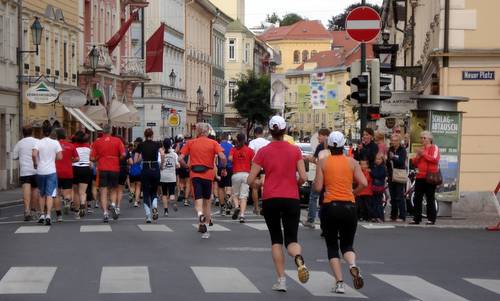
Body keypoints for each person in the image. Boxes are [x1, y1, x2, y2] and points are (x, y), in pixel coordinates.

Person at [247, 115, 309, 292]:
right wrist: (294, 185)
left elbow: (251, 178)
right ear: (285, 130)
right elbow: (304, 177)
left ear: (270, 131)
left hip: (271, 198)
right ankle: (297, 257)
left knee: (276, 239)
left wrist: (258, 183)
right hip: (291, 198)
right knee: (292, 239)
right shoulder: (295, 150)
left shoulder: (263, 152)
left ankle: (281, 280)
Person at [313, 131, 367, 294]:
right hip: (349, 207)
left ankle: (339, 282)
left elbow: (317, 188)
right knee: (347, 245)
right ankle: (353, 265)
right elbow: (363, 183)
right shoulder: (352, 162)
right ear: (344, 145)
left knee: (332, 246)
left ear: (328, 145)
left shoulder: (323, 162)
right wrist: (353, 193)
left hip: (330, 206)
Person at [179, 123, 227, 239]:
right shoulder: (213, 143)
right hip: (208, 175)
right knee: (207, 202)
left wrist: (186, 166)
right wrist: (223, 168)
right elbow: (223, 157)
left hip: (195, 174)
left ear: (197, 132)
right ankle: (206, 227)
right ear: (206, 132)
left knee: (198, 199)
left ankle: (200, 215)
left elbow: (180, 158)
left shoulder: (190, 143)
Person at [90, 124, 125, 223]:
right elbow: (123, 154)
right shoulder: (118, 141)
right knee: (114, 189)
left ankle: (105, 213)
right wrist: (117, 159)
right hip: (114, 168)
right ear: (111, 131)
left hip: (102, 168)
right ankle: (113, 205)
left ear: (102, 131)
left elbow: (92, 158)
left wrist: (99, 158)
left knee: (103, 191)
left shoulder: (97, 142)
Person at [32, 124, 63, 225]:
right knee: (49, 194)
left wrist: (35, 163)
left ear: (42, 132)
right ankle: (49, 215)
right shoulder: (55, 142)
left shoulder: (38, 142)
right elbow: (60, 157)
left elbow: (33, 154)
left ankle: (41, 214)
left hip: (40, 171)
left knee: (42, 193)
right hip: (51, 171)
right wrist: (53, 158)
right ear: (51, 132)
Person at [411, 130, 440, 225]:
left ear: (430, 139)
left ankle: (431, 218)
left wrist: (423, 154)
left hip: (430, 175)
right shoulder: (421, 149)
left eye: (424, 138)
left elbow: (435, 159)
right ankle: (416, 218)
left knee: (430, 197)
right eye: (421, 138)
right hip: (420, 176)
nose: (422, 139)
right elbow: (415, 163)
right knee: (417, 198)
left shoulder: (434, 147)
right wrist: (418, 156)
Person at [303, 128, 330, 228]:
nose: (318, 137)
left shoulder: (321, 146)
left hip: (321, 175)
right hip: (332, 176)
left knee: (314, 196)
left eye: (320, 135)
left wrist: (309, 159)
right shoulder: (333, 147)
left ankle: (311, 220)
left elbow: (316, 161)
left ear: (326, 136)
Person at [13, 125, 40, 221]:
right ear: (32, 132)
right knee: (35, 190)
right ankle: (34, 210)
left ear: (22, 133)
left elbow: (14, 156)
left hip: (25, 170)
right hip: (36, 170)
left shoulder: (19, 143)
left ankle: (27, 210)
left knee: (26, 191)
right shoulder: (37, 141)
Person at [135, 128, 161, 223]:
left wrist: (140, 160)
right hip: (155, 167)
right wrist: (160, 166)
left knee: (146, 192)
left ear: (145, 135)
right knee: (154, 191)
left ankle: (148, 216)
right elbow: (161, 154)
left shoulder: (141, 145)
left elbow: (135, 160)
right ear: (152, 135)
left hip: (145, 168)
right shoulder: (157, 144)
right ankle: (154, 207)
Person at [54, 128, 79, 222]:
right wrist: (70, 160)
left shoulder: (54, 145)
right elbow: (77, 158)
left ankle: (59, 216)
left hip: (55, 172)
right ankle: (67, 200)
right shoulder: (71, 146)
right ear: (65, 135)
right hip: (68, 172)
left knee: (56, 194)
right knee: (67, 193)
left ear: (56, 136)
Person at [229, 133, 254, 223]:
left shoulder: (234, 149)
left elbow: (230, 159)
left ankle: (236, 207)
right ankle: (242, 216)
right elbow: (253, 162)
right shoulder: (250, 150)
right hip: (246, 174)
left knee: (235, 194)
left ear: (237, 140)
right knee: (244, 196)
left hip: (236, 174)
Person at [248, 126, 270, 215]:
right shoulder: (268, 142)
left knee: (254, 188)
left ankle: (256, 207)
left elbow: (250, 154)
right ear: (262, 133)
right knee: (264, 186)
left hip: (255, 166)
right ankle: (265, 207)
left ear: (255, 133)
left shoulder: (252, 142)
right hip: (266, 166)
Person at [72, 131, 92, 218]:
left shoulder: (73, 147)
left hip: (75, 168)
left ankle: (77, 211)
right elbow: (91, 158)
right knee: (83, 192)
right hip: (85, 168)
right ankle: (83, 204)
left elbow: (72, 158)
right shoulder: (89, 147)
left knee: (76, 192)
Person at [387, 134, 407, 222]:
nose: (393, 142)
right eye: (392, 140)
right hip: (391, 174)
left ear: (399, 141)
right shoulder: (390, 149)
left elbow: (401, 162)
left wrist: (393, 157)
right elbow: (388, 162)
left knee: (399, 195)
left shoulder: (402, 150)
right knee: (393, 196)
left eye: (395, 141)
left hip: (399, 174)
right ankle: (393, 215)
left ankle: (402, 215)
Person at [160, 138, 179, 216]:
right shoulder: (174, 154)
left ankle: (166, 211)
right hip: (172, 177)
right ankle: (172, 201)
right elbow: (178, 165)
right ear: (171, 144)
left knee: (164, 194)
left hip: (163, 176)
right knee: (172, 193)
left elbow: (159, 164)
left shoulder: (161, 153)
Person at [217, 133, 233, 215]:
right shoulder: (231, 146)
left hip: (220, 168)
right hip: (230, 167)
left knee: (220, 187)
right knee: (229, 186)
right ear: (227, 138)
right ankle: (228, 203)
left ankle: (222, 206)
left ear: (220, 138)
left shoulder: (218, 145)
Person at [175, 135, 191, 207]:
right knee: (188, 183)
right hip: (188, 165)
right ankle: (186, 200)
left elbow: (176, 151)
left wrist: (179, 154)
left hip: (181, 164)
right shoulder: (191, 144)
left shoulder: (180, 144)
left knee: (181, 180)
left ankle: (181, 189)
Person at [370, 153, 387, 223]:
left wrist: (372, 173)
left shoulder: (382, 167)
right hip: (375, 186)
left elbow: (378, 175)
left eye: (379, 159)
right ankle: (375, 216)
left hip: (379, 187)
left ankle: (380, 217)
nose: (377, 160)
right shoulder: (375, 166)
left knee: (379, 202)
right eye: (376, 159)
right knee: (375, 202)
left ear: (382, 160)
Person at [129, 137, 143, 207]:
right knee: (138, 186)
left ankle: (131, 194)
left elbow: (129, 161)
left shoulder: (132, 152)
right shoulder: (141, 152)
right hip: (139, 170)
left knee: (132, 186)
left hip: (132, 170)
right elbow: (140, 160)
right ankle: (136, 202)